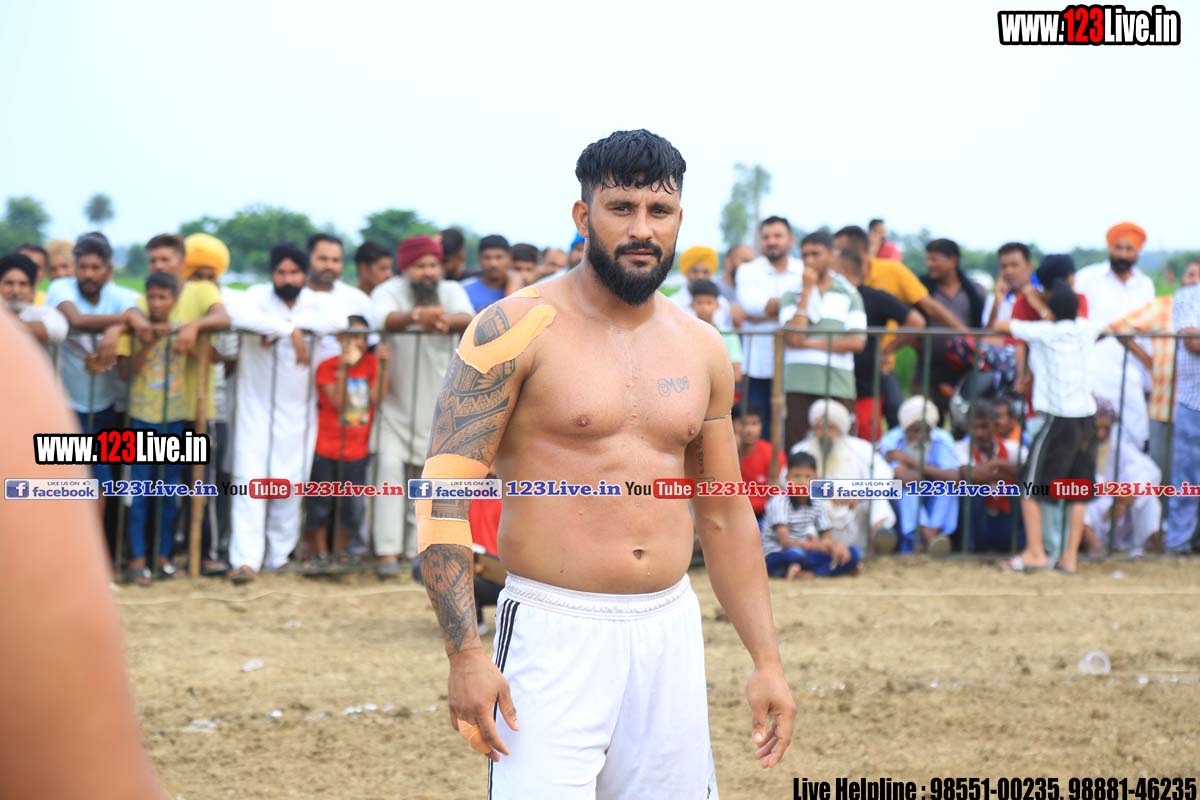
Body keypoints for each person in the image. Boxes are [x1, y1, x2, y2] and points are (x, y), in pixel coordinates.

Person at [418, 130, 794, 798]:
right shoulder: (512, 328)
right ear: (583, 215)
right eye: (622, 207)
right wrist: (465, 653)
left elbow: (725, 513)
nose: (642, 228)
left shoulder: (702, 346)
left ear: (679, 220)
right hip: (552, 627)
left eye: (660, 210)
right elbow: (442, 495)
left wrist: (767, 660)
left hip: (669, 629)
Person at [0, 309, 164, 800]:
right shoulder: (13, 370)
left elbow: (53, 323)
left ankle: (116, 562)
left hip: (102, 414)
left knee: (107, 490)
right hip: (66, 415)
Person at [227, 243, 343, 584]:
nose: (287, 279)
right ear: (272, 274)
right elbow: (239, 317)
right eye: (281, 272)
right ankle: (245, 561)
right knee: (249, 482)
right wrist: (289, 331)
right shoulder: (256, 296)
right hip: (255, 406)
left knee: (290, 482)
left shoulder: (316, 301)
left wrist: (286, 325)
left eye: (294, 272)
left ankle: (278, 557)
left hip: (298, 410)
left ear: (304, 274)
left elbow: (337, 320)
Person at [371, 235, 474, 578]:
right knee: (388, 472)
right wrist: (417, 316)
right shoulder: (388, 290)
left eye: (432, 265)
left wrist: (446, 321)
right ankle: (386, 553)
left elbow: (468, 317)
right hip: (394, 406)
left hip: (438, 407)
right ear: (405, 268)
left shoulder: (450, 290)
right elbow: (382, 319)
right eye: (420, 266)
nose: (428, 272)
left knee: (427, 481)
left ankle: (416, 554)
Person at [993, 279, 1099, 573]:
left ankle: (1035, 552)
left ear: (1051, 309)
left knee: (1028, 484)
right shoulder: (1087, 328)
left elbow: (1001, 326)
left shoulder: (1042, 332)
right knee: (1077, 490)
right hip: (1087, 418)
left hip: (1058, 419)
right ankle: (1070, 558)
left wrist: (1025, 302)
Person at [145, 233, 232, 574]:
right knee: (167, 489)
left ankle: (208, 556)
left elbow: (222, 318)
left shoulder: (200, 290)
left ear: (182, 262)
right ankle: (165, 555)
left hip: (200, 410)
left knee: (203, 486)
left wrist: (194, 327)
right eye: (153, 260)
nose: (159, 266)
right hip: (163, 412)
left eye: (166, 259)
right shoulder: (154, 295)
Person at [44, 232, 149, 496]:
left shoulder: (119, 295)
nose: (88, 274)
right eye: (82, 267)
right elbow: (77, 321)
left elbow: (141, 322)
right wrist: (122, 322)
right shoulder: (62, 288)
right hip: (64, 404)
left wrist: (116, 330)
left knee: (100, 483)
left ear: (109, 270)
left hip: (104, 406)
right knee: (69, 484)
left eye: (95, 267)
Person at [834, 225, 963, 427]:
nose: (834, 256)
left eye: (839, 250)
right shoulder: (833, 282)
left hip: (878, 363)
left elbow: (929, 307)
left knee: (896, 412)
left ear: (857, 252)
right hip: (840, 363)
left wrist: (968, 334)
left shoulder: (891, 271)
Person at [117, 272, 187, 585]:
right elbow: (125, 372)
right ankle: (136, 559)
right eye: (152, 297)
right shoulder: (134, 329)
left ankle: (163, 556)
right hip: (141, 419)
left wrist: (186, 331)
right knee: (139, 492)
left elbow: (208, 354)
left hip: (174, 420)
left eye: (163, 297)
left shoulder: (183, 328)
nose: (157, 304)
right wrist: (147, 343)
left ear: (174, 299)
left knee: (169, 493)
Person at [300, 315, 386, 573]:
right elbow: (338, 402)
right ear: (340, 339)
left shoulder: (371, 364)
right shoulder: (327, 367)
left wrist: (384, 364)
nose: (356, 342)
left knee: (351, 506)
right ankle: (319, 552)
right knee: (320, 503)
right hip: (326, 447)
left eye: (361, 337)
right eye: (351, 336)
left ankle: (340, 553)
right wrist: (344, 369)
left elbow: (377, 397)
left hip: (356, 449)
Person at [1105, 259, 1200, 474]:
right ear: (1182, 280)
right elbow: (1118, 328)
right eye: (1191, 274)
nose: (1195, 280)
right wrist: (1150, 362)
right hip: (1165, 406)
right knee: (1163, 473)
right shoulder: (1163, 306)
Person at [1074, 222, 1156, 452]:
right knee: (1090, 440)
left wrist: (1149, 374)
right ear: (1109, 248)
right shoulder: (1088, 278)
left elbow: (1147, 332)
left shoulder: (1145, 285)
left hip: (1131, 372)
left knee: (1134, 438)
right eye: (1118, 248)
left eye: (1129, 249)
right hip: (1091, 370)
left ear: (1137, 252)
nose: (1123, 254)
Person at [780, 231, 865, 449]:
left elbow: (857, 342)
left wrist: (810, 343)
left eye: (815, 254)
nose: (809, 261)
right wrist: (806, 291)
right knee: (799, 450)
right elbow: (794, 337)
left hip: (838, 385)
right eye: (805, 255)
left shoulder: (849, 293)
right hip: (799, 384)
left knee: (841, 448)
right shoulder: (791, 293)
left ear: (832, 255)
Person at [833, 246, 925, 441]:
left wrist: (887, 351)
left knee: (866, 442)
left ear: (843, 269)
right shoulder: (828, 298)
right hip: (835, 383)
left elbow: (916, 322)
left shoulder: (874, 297)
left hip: (865, 386)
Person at [790, 399, 897, 553]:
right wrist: (832, 493)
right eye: (819, 428)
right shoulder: (801, 449)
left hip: (855, 514)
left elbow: (886, 478)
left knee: (878, 497)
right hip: (819, 515)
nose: (824, 434)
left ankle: (880, 535)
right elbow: (789, 483)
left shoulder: (861, 449)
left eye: (830, 428)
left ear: (840, 429)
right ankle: (815, 550)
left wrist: (858, 494)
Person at [736, 216, 804, 441]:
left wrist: (763, 315)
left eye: (777, 236)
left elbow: (813, 310)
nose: (772, 241)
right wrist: (794, 308)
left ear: (790, 239)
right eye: (766, 237)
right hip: (757, 365)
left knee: (794, 426)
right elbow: (752, 305)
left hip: (796, 362)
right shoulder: (748, 270)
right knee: (759, 430)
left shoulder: (804, 270)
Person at [878, 396, 961, 554]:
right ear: (905, 429)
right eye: (914, 431)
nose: (920, 437)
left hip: (929, 491)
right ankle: (929, 539)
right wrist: (934, 473)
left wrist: (910, 461)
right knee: (907, 488)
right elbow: (904, 477)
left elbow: (954, 477)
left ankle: (932, 536)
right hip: (900, 494)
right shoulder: (891, 440)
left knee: (948, 487)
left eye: (925, 431)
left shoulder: (942, 439)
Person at [915, 238, 987, 418]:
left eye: (935, 259)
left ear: (953, 260)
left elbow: (985, 325)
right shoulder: (920, 289)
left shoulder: (975, 291)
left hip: (965, 368)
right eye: (928, 259)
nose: (929, 264)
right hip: (929, 366)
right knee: (924, 416)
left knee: (964, 418)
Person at [762, 451, 861, 579]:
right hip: (779, 552)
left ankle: (806, 573)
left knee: (853, 552)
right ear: (787, 478)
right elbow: (785, 542)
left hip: (806, 551)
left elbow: (826, 537)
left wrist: (835, 547)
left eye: (808, 476)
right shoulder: (779, 501)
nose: (802, 481)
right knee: (795, 555)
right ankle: (823, 571)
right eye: (796, 476)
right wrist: (817, 546)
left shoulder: (817, 501)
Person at [1084, 398, 1161, 558]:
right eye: (1098, 427)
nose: (1101, 433)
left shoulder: (1119, 447)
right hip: (1094, 508)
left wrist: (1124, 498)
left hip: (1121, 510)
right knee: (1078, 505)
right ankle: (1095, 548)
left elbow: (1151, 472)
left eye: (1106, 428)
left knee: (1149, 500)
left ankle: (1157, 549)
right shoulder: (1080, 444)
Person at [952, 399, 1022, 553]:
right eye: (974, 427)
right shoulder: (959, 449)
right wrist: (1005, 471)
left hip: (1005, 518)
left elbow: (1029, 471)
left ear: (995, 426)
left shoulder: (1012, 448)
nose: (979, 433)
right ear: (967, 427)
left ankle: (1020, 548)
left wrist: (996, 464)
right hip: (980, 520)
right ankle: (969, 550)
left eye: (985, 427)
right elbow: (973, 476)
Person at [1165, 279, 1200, 555]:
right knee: (1187, 479)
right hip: (1193, 402)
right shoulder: (1188, 296)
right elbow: (1191, 341)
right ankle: (1178, 542)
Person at [305, 233, 374, 364]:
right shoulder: (293, 297)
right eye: (323, 259)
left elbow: (371, 345)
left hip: (344, 376)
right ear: (308, 258)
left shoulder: (358, 300)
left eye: (336, 260)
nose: (329, 266)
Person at [1, 252, 67, 346]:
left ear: (33, 290)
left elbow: (57, 329)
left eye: (23, 284)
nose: (16, 291)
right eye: (9, 283)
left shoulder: (45, 313)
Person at [733, 405, 785, 523]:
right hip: (731, 515)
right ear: (731, 425)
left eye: (754, 423)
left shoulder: (772, 454)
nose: (749, 430)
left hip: (765, 516)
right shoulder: (723, 453)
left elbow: (778, 494)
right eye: (743, 424)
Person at [691, 279, 743, 383]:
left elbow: (737, 373)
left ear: (717, 305)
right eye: (699, 302)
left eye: (709, 302)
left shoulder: (728, 334)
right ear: (692, 305)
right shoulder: (686, 332)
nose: (704, 307)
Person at [671, 245, 734, 328]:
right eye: (695, 272)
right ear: (686, 272)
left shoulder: (722, 303)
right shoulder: (673, 304)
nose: (700, 276)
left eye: (705, 272)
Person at [984, 242, 1038, 328]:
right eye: (1004, 266)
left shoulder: (1044, 292)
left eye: (1014, 265)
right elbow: (986, 334)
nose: (1009, 271)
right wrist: (996, 304)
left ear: (1029, 266)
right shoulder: (994, 298)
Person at [463, 235, 513, 312]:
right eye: (487, 258)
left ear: (509, 258)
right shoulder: (463, 290)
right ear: (479, 259)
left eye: (499, 257)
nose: (493, 264)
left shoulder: (522, 289)